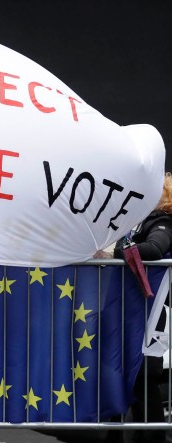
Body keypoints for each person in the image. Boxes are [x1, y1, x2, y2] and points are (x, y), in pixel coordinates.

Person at [94, 172, 172, 443]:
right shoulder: (134, 222)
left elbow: (154, 250)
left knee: (144, 380)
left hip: (148, 315)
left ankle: (153, 438)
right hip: (130, 312)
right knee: (123, 374)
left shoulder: (163, 221)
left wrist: (113, 253)